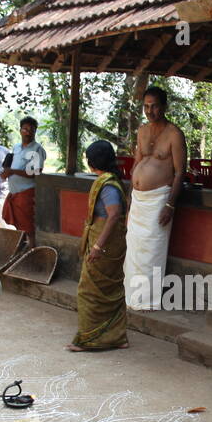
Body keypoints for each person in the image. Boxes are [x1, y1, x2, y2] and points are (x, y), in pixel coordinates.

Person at [124, 86, 185, 310]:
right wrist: (130, 203)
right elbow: (136, 165)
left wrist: (170, 204)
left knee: (152, 250)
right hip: (138, 200)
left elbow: (180, 172)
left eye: (155, 106)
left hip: (159, 199)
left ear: (164, 106)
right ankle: (132, 299)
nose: (150, 111)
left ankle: (147, 302)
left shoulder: (174, 134)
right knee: (134, 249)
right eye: (146, 106)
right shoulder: (142, 131)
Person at [67, 139, 129, 352]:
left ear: (93, 161)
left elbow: (113, 216)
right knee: (110, 290)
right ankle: (117, 337)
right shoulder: (110, 182)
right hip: (110, 244)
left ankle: (89, 339)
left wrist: (97, 247)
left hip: (104, 245)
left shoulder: (108, 185)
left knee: (89, 291)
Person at [0, 116, 46, 238]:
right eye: (25, 129)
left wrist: (13, 172)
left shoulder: (37, 149)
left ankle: (31, 251)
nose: (28, 132)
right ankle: (25, 250)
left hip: (26, 193)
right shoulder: (16, 147)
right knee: (19, 226)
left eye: (32, 129)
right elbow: (10, 166)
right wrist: (6, 172)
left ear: (35, 131)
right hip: (14, 192)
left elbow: (36, 172)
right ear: (20, 130)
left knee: (28, 228)